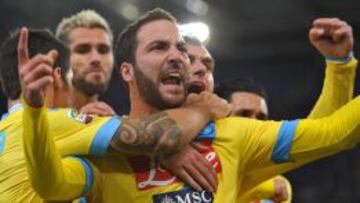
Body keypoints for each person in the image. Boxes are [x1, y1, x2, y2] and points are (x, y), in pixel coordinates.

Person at [23, 8, 360, 202]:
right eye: (158, 47)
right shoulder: (107, 142)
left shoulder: (236, 135)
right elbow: (49, 183)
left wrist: (341, 65)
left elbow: (332, 132)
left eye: (180, 50)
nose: (177, 57)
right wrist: (35, 112)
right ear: (127, 70)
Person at [0, 27, 229, 202]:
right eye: (72, 79)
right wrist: (203, 108)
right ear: (57, 76)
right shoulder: (56, 121)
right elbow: (156, 136)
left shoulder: (6, 130)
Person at [165, 17, 358, 203]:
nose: (254, 124)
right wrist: (161, 149)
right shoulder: (140, 140)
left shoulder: (237, 141)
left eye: (261, 119)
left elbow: (326, 130)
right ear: (218, 108)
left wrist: (340, 66)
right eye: (243, 114)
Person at [56, 9, 116, 115]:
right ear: (60, 59)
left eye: (103, 50)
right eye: (83, 50)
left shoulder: (112, 123)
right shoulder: (36, 117)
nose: (96, 59)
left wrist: (113, 129)